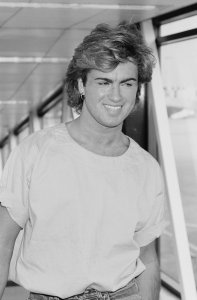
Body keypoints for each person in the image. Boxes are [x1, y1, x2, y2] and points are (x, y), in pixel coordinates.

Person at [0, 22, 165, 300]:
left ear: (137, 89)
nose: (116, 96)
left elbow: (147, 256)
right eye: (104, 82)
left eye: (127, 83)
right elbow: (3, 243)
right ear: (81, 85)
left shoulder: (146, 168)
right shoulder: (35, 152)